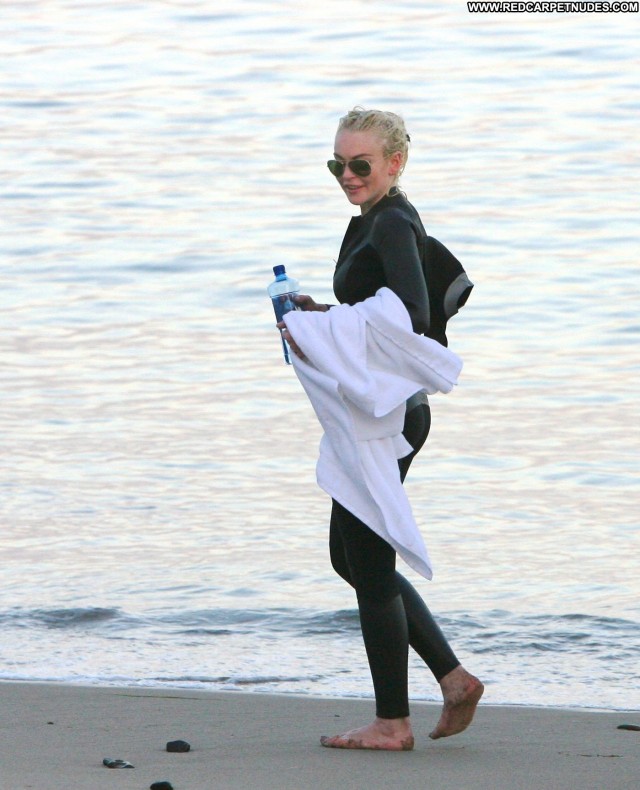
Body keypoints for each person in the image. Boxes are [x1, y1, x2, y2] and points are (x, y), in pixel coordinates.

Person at [280, 108, 483, 751]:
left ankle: (393, 722)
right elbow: (377, 305)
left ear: (395, 162)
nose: (347, 175)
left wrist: (326, 330)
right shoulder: (369, 218)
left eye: (360, 164)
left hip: (391, 415)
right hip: (377, 411)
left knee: (367, 563)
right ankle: (453, 679)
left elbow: (411, 315)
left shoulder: (393, 220)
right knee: (350, 557)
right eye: (336, 164)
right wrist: (321, 314)